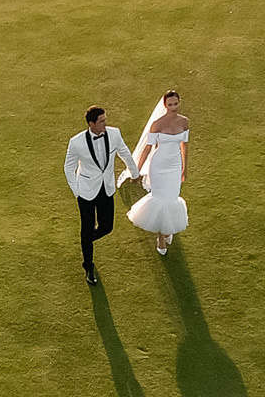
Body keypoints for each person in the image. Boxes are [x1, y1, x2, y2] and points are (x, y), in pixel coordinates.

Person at [64, 104, 138, 286]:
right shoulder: (76, 142)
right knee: (87, 227)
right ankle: (88, 266)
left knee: (107, 227)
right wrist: (76, 191)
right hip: (86, 192)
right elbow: (68, 167)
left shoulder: (114, 134)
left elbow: (125, 153)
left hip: (107, 189)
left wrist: (135, 173)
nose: (106, 123)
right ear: (91, 124)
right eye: (102, 121)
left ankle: (86, 241)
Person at [129, 89, 189, 254]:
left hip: (174, 165)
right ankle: (161, 237)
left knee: (172, 199)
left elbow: (184, 146)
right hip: (159, 166)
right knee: (161, 199)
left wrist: (184, 168)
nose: (173, 107)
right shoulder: (157, 124)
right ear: (165, 105)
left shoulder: (184, 122)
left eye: (176, 104)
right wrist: (137, 170)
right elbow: (148, 148)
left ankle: (166, 230)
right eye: (170, 105)